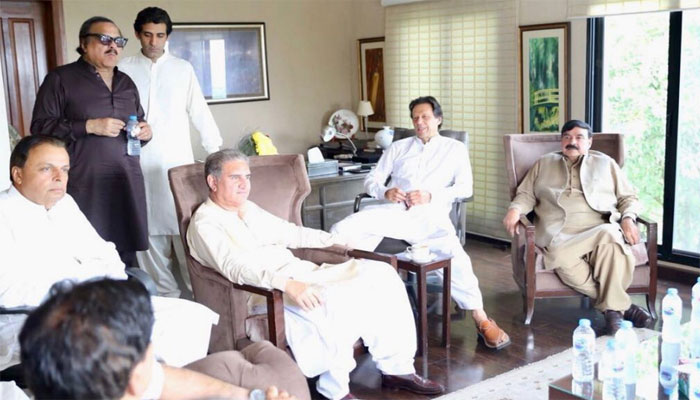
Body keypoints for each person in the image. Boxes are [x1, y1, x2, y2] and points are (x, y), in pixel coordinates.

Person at [187, 149, 444, 400]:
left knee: (383, 274)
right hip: (265, 290)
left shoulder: (247, 208)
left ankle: (397, 369)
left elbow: (290, 233)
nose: (245, 185)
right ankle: (334, 391)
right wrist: (288, 284)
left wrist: (333, 240)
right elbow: (235, 268)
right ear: (213, 181)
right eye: (235, 178)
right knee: (336, 299)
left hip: (301, 272)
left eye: (247, 177)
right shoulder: (205, 223)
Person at [0, 135, 218, 371]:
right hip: (34, 318)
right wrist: (82, 281)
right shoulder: (5, 214)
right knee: (122, 337)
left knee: (190, 316)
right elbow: (8, 292)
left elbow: (107, 256)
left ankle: (162, 387)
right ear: (18, 174)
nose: (59, 177)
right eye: (46, 169)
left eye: (64, 169)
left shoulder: (65, 204)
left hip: (93, 304)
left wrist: (88, 282)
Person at [330, 96, 510, 350]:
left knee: (456, 259)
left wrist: (430, 195)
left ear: (438, 119)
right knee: (342, 230)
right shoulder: (398, 147)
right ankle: (348, 310)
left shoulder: (454, 149)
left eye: (425, 116)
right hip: (394, 213)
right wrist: (385, 192)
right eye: (415, 117)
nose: (419, 122)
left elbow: (465, 188)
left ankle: (481, 318)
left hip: (431, 217)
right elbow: (372, 180)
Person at [19, 278, 306, 400]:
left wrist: (248, 396)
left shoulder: (113, 382)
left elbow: (159, 378)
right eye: (148, 348)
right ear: (134, 380)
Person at [502, 120, 652, 335]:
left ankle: (613, 315)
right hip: (559, 233)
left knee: (611, 238)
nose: (572, 141)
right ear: (561, 141)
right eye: (567, 137)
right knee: (558, 255)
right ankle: (621, 307)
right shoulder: (544, 163)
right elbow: (526, 194)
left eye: (579, 137)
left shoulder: (606, 163)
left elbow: (628, 197)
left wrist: (628, 217)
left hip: (599, 227)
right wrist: (515, 209)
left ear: (589, 142)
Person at [30, 16, 152, 269]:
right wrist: (89, 126)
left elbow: (138, 122)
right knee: (86, 256)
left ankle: (127, 295)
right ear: (84, 44)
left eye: (118, 41)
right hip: (83, 184)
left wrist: (145, 132)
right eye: (104, 39)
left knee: (127, 258)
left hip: (126, 181)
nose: (113, 46)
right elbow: (40, 128)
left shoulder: (126, 83)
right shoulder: (60, 79)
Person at [119, 7, 223, 297]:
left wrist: (215, 154)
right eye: (148, 35)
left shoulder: (182, 69)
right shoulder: (123, 69)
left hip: (177, 165)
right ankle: (165, 304)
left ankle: (203, 307)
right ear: (137, 34)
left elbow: (200, 112)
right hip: (137, 165)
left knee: (189, 239)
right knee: (149, 239)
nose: (154, 42)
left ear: (167, 37)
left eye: (160, 35)